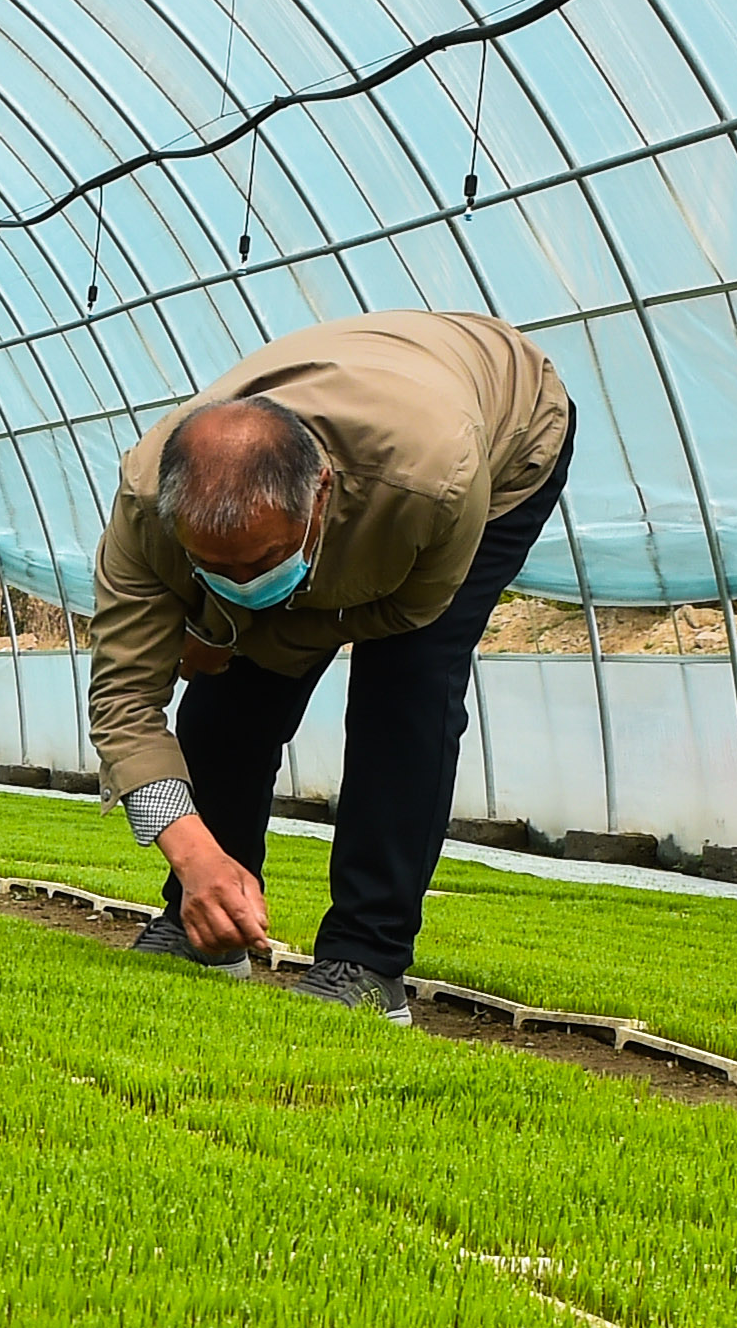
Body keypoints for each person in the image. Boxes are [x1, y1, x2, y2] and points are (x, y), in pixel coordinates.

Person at [84, 310, 577, 1022]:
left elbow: (405, 615)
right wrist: (193, 853)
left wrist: (236, 635)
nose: (235, 581)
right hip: (384, 401)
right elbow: (123, 705)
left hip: (508, 434)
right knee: (228, 693)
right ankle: (204, 922)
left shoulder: (430, 484)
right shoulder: (142, 503)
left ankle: (366, 957)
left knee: (406, 687)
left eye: (257, 562)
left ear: (316, 502)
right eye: (210, 568)